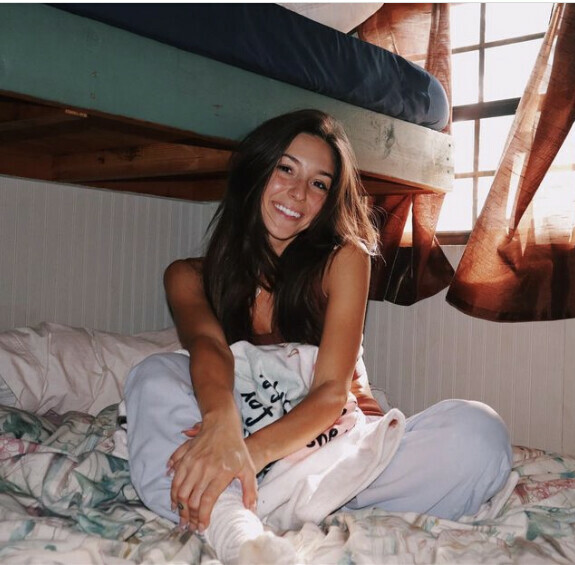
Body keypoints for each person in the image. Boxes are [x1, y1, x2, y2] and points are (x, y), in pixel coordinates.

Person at [124, 109, 512, 561]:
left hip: (334, 455)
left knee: (479, 431)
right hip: (243, 444)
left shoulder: (344, 259)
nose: (299, 193)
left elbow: (330, 392)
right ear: (256, 170)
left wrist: (244, 455)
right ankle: (239, 534)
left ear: (329, 200)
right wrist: (221, 425)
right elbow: (209, 347)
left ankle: (240, 502)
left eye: (319, 183)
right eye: (285, 169)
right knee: (155, 374)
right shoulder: (188, 276)